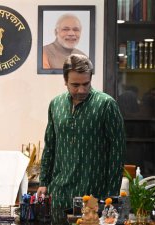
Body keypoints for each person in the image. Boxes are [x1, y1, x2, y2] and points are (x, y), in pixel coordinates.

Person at [37, 54, 126, 212]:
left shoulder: (106, 104)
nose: (81, 90)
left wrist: (110, 196)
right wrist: (44, 182)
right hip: (59, 194)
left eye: (86, 84)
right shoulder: (56, 104)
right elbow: (50, 145)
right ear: (65, 81)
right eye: (75, 85)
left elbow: (117, 152)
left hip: (93, 195)